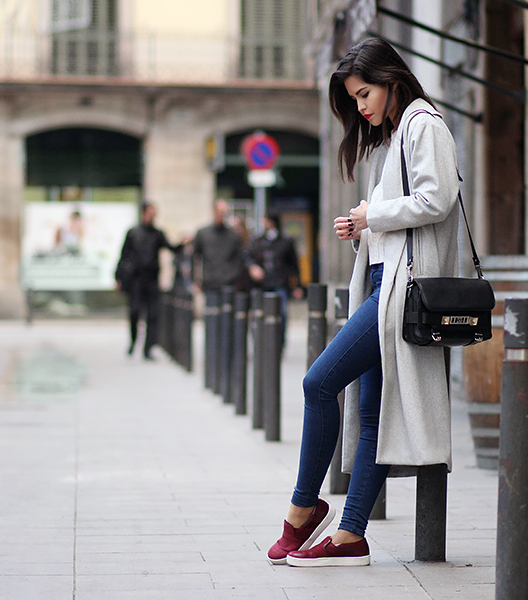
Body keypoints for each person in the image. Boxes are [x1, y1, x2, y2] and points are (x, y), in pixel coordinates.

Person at [268, 37, 461, 567]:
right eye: (355, 99)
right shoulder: (399, 133)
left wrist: (371, 215)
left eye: (364, 93)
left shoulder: (424, 124)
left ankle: (304, 508)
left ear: (390, 80)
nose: (362, 107)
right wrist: (361, 227)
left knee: (318, 383)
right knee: (372, 411)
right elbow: (404, 217)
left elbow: (436, 199)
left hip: (402, 289)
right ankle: (352, 533)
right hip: (385, 280)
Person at [115, 201, 182, 360]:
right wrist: (118, 277)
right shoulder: (133, 233)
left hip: (152, 279)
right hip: (136, 279)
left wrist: (182, 244)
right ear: (143, 213)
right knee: (135, 312)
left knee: (153, 314)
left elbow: (171, 247)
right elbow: (124, 255)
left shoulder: (157, 234)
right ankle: (133, 341)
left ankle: (148, 348)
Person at [247, 212, 302, 344]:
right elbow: (248, 257)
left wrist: (297, 286)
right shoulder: (257, 241)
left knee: (280, 315)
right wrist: (253, 268)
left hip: (280, 283)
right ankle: (260, 343)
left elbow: (294, 264)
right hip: (261, 285)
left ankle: (278, 343)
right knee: (258, 315)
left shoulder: (285, 241)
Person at [191, 199, 244, 295]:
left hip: (228, 282)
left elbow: (238, 258)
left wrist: (233, 276)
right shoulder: (203, 233)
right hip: (209, 281)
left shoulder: (233, 236)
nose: (221, 215)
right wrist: (196, 279)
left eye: (223, 212)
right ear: (214, 211)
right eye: (219, 211)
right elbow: (194, 257)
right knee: (210, 309)